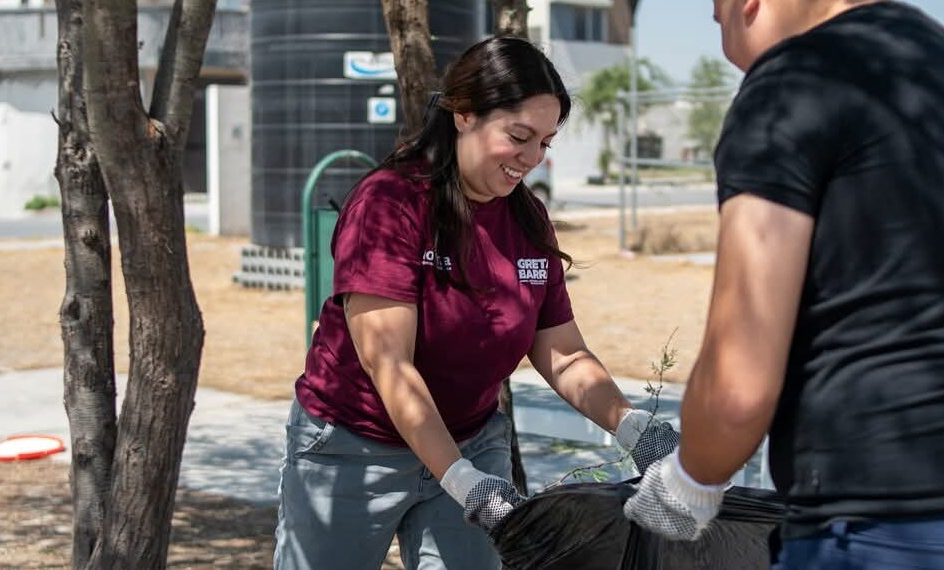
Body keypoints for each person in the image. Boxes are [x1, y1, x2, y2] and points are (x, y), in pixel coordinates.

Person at [624, 0, 944, 568]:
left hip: (889, 527)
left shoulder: (793, 82)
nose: (718, 29)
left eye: (716, 12)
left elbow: (737, 387)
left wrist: (685, 486)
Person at [273, 36, 675, 570]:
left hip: (472, 439)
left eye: (546, 144)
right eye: (519, 136)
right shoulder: (390, 205)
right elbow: (389, 365)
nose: (531, 159)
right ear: (464, 115)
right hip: (354, 447)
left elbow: (563, 353)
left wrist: (632, 426)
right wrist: (461, 480)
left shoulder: (526, 219)